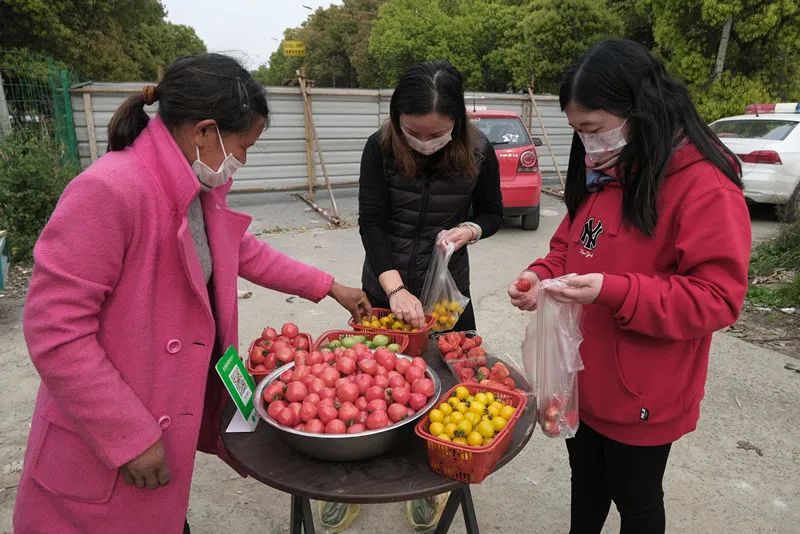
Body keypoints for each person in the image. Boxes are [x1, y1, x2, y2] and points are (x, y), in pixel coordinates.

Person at [13, 53, 370, 534]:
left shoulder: (193, 188)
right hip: (105, 441)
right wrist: (128, 435)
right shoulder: (109, 190)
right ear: (205, 132)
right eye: (242, 147)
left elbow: (241, 252)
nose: (240, 161)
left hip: (160, 415)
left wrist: (330, 287)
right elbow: (55, 332)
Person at [508, 39, 751, 534]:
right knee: (586, 483)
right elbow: (568, 249)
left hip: (644, 391)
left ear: (641, 111)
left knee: (637, 502)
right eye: (578, 132)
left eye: (594, 130)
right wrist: (541, 277)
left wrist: (614, 290)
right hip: (582, 381)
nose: (587, 145)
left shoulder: (704, 187)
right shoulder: (602, 175)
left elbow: (717, 298)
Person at [318, 60, 503, 533]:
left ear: (458, 123)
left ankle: (435, 481)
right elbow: (373, 220)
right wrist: (393, 285)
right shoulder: (379, 147)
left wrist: (471, 229)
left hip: (446, 289)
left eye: (437, 133)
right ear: (397, 121)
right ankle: (348, 481)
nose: (425, 142)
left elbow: (492, 212)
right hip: (385, 281)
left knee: (447, 384)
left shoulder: (480, 150)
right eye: (413, 132)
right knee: (362, 385)